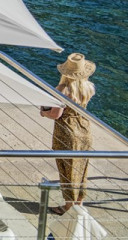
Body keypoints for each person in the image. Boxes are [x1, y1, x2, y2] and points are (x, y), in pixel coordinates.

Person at [40, 53, 96, 215]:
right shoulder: (89, 87)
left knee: (67, 170)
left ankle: (68, 207)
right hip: (84, 129)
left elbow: (55, 115)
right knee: (81, 168)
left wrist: (43, 112)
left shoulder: (62, 89)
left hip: (67, 132)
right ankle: (79, 203)